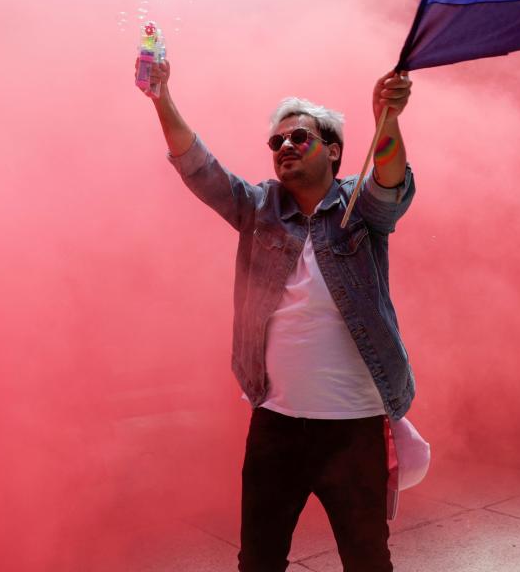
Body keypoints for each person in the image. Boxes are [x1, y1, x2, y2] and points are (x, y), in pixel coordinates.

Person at [140, 55, 417, 572]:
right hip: (277, 424)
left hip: (354, 426)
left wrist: (388, 118)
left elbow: (390, 184)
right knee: (259, 560)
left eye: (299, 138)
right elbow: (200, 169)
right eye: (277, 142)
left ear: (333, 151)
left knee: (367, 560)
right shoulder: (260, 207)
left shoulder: (359, 207)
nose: (285, 147)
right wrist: (162, 98)